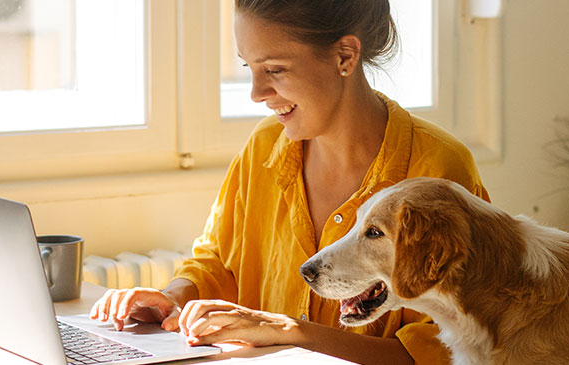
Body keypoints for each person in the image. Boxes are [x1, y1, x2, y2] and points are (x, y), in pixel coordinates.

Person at [89, 1, 488, 364]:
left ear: (345, 56)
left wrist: (292, 333)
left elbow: (439, 352)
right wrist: (173, 298)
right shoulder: (264, 145)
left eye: (275, 70)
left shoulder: (438, 168)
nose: (256, 93)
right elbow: (218, 264)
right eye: (249, 68)